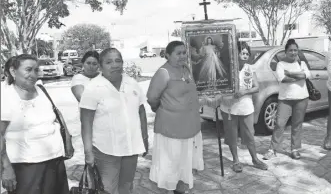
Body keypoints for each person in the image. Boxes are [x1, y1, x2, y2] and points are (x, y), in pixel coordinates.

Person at [79, 48, 148, 194]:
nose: (115, 65)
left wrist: (144, 139)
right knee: (107, 189)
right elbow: (86, 123)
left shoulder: (132, 83)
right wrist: (88, 152)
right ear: (101, 66)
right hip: (106, 150)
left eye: (118, 61)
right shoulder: (93, 88)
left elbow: (141, 112)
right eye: (109, 62)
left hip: (130, 148)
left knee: (126, 186)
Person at [1, 54, 71, 194]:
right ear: (13, 71)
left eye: (36, 70)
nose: (33, 74)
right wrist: (6, 168)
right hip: (25, 166)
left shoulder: (41, 90)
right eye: (28, 69)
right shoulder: (6, 97)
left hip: (54, 161)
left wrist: (68, 140)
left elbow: (56, 117)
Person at [147, 41, 204, 194]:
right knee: (171, 168)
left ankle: (181, 190)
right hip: (171, 130)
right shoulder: (163, 72)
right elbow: (152, 97)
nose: (182, 56)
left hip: (190, 127)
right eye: (178, 53)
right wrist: (165, 109)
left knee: (184, 168)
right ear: (167, 55)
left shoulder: (186, 69)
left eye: (184, 53)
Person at [211, 42, 268, 172]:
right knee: (231, 135)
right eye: (242, 52)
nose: (245, 55)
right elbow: (219, 85)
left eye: (247, 53)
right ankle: (236, 160)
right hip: (229, 107)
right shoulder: (226, 68)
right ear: (236, 54)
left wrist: (244, 92)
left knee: (249, 134)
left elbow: (256, 87)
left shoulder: (250, 68)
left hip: (246, 107)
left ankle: (255, 159)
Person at [263, 39, 311, 160]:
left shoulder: (302, 63)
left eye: (295, 50)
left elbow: (306, 75)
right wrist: (298, 76)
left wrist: (290, 74)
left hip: (302, 98)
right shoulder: (281, 64)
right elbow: (282, 79)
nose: (293, 52)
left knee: (297, 124)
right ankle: (272, 149)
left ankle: (295, 149)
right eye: (290, 50)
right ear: (286, 52)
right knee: (279, 124)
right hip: (285, 99)